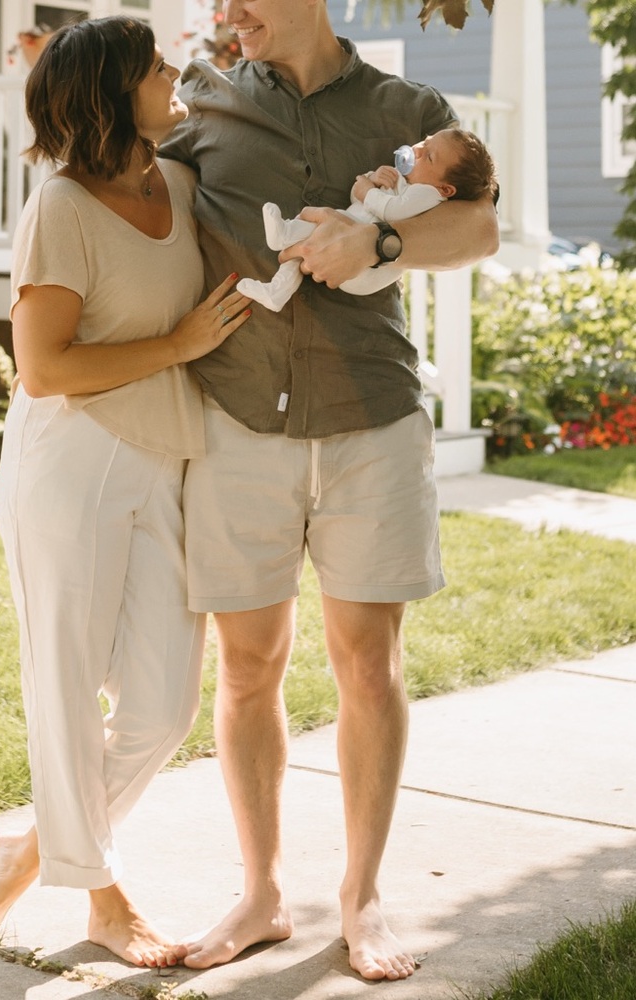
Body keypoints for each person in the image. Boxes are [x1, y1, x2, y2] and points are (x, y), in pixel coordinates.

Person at [159, 0, 500, 982]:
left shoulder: (407, 104)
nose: (224, 14)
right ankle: (262, 892)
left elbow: (475, 229)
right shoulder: (203, 100)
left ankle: (361, 897)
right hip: (235, 419)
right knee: (249, 663)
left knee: (366, 661)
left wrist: (379, 247)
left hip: (371, 416)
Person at [0, 15, 251, 969]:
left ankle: (33, 851)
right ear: (110, 93)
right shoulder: (60, 207)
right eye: (156, 68)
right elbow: (42, 368)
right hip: (71, 462)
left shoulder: (173, 180)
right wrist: (179, 346)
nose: (174, 76)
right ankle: (102, 898)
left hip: (162, 459)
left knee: (165, 705)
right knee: (65, 686)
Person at [239, 127, 499, 308]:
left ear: (446, 189)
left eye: (428, 155)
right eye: (424, 142)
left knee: (315, 230)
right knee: (304, 249)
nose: (417, 150)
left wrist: (367, 193)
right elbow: (358, 199)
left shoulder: (428, 194)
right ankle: (277, 290)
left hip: (366, 270)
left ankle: (284, 234)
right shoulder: (407, 180)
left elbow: (391, 211)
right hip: (348, 237)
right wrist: (370, 181)